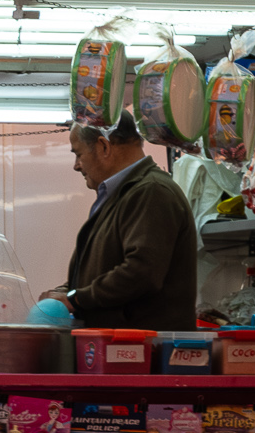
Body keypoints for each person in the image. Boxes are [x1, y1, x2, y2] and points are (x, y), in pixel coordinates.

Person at [43, 114, 199, 333]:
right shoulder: (123, 195)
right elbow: (107, 269)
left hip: (144, 354)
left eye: (78, 154)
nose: (76, 166)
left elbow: (141, 272)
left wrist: (75, 299)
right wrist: (65, 293)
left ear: (103, 147)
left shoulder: (152, 191)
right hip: (121, 351)